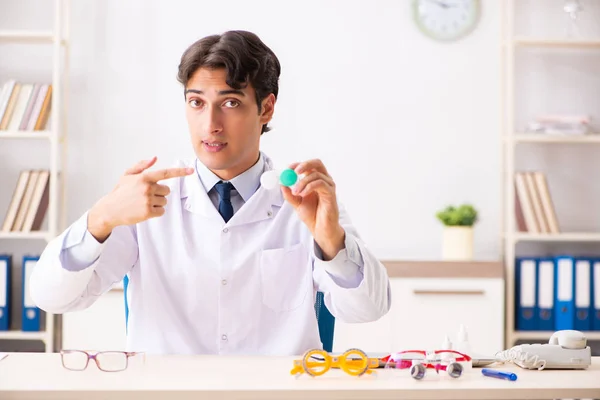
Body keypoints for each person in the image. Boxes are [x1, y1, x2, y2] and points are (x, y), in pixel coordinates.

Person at [30, 30, 391, 356]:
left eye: (230, 102)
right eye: (197, 103)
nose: (210, 124)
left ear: (266, 107)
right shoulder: (148, 200)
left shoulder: (306, 200)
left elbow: (369, 309)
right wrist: (101, 218)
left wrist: (332, 242)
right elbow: (51, 297)